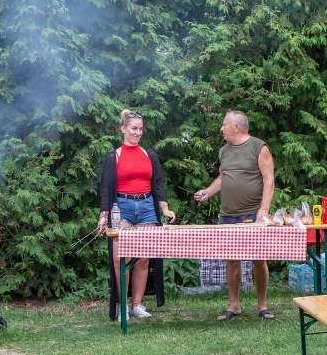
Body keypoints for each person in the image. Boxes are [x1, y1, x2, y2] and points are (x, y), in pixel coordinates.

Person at [194, 111, 276, 321]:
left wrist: (264, 209)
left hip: (252, 214)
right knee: (231, 260)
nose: (221, 128)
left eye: (224, 125)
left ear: (237, 127)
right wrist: (207, 192)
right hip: (227, 214)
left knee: (259, 259)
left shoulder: (259, 147)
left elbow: (268, 180)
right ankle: (234, 305)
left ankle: (262, 305)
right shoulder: (224, 151)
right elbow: (223, 177)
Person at [98, 109, 176, 322]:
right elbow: (106, 189)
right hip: (121, 207)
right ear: (123, 129)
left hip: (147, 207)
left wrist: (164, 208)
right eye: (134, 128)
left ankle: (137, 305)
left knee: (143, 258)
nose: (138, 132)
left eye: (141, 129)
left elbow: (158, 184)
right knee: (120, 259)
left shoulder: (149, 155)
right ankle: (122, 306)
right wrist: (103, 216)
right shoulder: (113, 157)